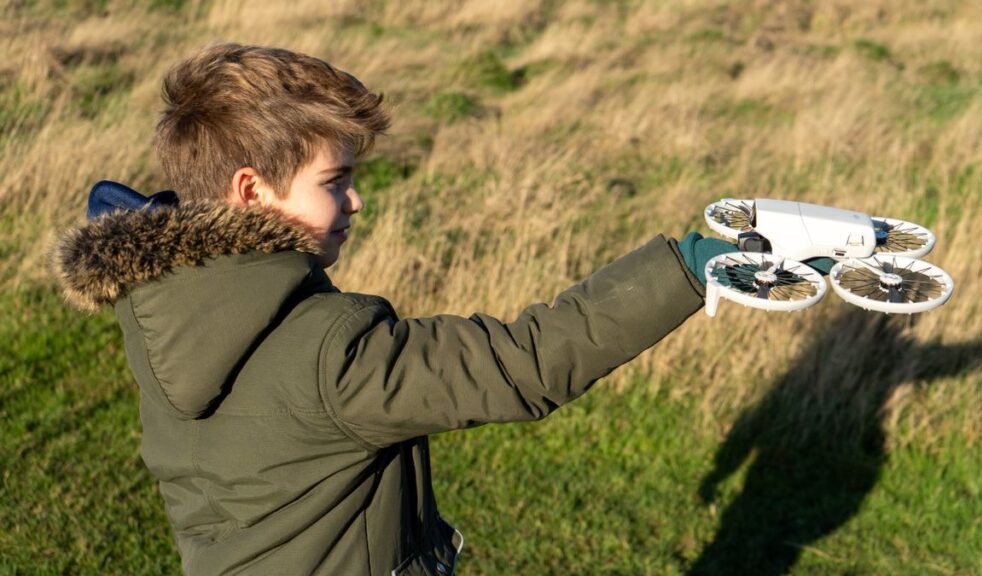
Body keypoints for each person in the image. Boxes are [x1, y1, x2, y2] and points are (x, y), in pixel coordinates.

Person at [52, 43, 732, 575]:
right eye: (335, 181)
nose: (356, 201)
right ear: (252, 191)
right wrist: (690, 268)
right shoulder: (331, 354)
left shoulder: (168, 305)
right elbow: (525, 362)